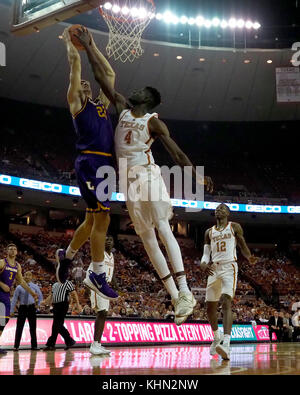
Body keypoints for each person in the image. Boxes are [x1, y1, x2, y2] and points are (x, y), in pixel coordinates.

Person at [74, 26, 214, 325]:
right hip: (127, 181)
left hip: (148, 175)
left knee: (163, 227)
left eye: (141, 91)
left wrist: (196, 177)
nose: (134, 90)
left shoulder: (153, 123)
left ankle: (186, 290)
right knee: (147, 240)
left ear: (148, 100)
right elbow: (102, 79)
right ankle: (177, 299)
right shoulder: (123, 108)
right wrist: (90, 47)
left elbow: (176, 154)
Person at [55, 26, 118, 301]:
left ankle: (66, 256)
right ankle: (97, 273)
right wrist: (71, 43)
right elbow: (75, 65)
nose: (86, 84)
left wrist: (93, 45)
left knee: (93, 219)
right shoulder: (76, 104)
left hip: (105, 165)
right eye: (82, 84)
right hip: (91, 163)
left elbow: (111, 75)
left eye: (87, 84)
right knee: (103, 216)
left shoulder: (100, 104)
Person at [199, 203, 258, 360]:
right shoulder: (208, 232)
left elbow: (242, 244)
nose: (219, 209)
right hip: (213, 269)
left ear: (228, 213)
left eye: (222, 208)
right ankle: (216, 336)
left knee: (226, 301)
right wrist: (203, 263)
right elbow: (206, 254)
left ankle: (226, 342)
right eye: (217, 208)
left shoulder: (234, 226)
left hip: (229, 267)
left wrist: (249, 256)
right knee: (210, 307)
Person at [0, 244, 38, 355]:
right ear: (6, 251)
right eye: (10, 248)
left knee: (3, 322)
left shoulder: (17, 266)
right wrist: (2, 284)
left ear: (17, 252)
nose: (12, 250)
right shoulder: (2, 262)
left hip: (6, 297)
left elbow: (21, 281)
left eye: (14, 248)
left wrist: (32, 292)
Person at [89, 235, 115, 355]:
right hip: (98, 285)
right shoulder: (99, 254)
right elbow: (90, 271)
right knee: (101, 312)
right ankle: (94, 344)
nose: (108, 242)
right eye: (106, 240)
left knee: (104, 314)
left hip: (106, 287)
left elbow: (111, 274)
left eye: (110, 239)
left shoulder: (112, 256)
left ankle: (98, 344)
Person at [41, 280, 81, 350]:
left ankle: (52, 344)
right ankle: (68, 341)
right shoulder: (54, 285)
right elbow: (51, 296)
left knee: (56, 325)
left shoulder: (68, 283)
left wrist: (78, 305)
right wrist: (45, 302)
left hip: (63, 305)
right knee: (57, 326)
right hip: (55, 305)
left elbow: (74, 293)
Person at [10, 271, 43, 351]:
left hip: (32, 308)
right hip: (22, 308)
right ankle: (16, 346)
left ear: (32, 277)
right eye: (26, 275)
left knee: (33, 327)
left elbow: (41, 297)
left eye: (29, 275)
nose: (27, 276)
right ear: (23, 276)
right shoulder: (19, 287)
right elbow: (14, 299)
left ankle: (34, 346)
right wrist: (11, 310)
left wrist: (38, 306)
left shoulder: (35, 286)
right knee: (19, 327)